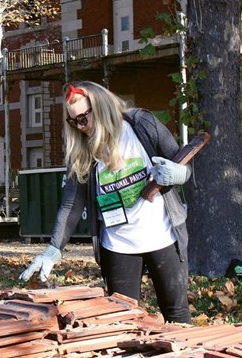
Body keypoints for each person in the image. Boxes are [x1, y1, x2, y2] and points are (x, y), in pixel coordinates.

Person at [19, 81, 192, 324]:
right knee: (122, 320)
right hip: (118, 245)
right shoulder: (82, 151)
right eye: (74, 121)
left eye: (83, 118)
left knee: (177, 314)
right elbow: (71, 205)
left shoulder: (141, 124)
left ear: (100, 107)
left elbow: (183, 162)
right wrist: (54, 248)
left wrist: (179, 174)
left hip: (163, 236)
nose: (80, 127)